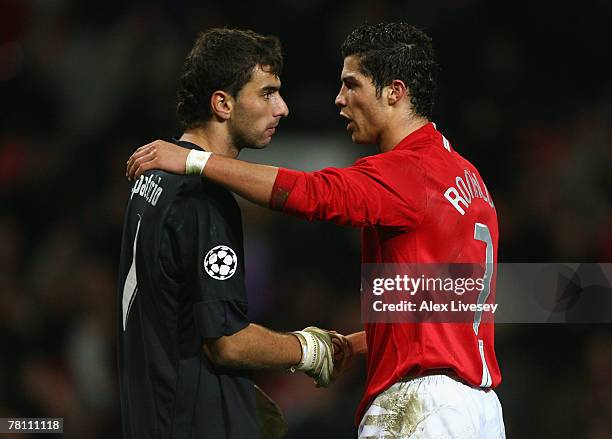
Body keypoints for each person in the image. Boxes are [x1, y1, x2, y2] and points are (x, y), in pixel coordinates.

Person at [127, 22, 506, 438]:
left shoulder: (407, 173)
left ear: (394, 91)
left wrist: (195, 161)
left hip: (422, 408)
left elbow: (312, 193)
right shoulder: (466, 178)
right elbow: (439, 309)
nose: (339, 99)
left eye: (352, 84)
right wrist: (352, 345)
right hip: (480, 410)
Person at [117, 28, 346, 439]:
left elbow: (175, 319)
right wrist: (309, 350)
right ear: (222, 103)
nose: (283, 108)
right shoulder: (202, 199)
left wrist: (233, 398)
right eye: (267, 93)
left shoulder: (153, 178)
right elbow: (227, 341)